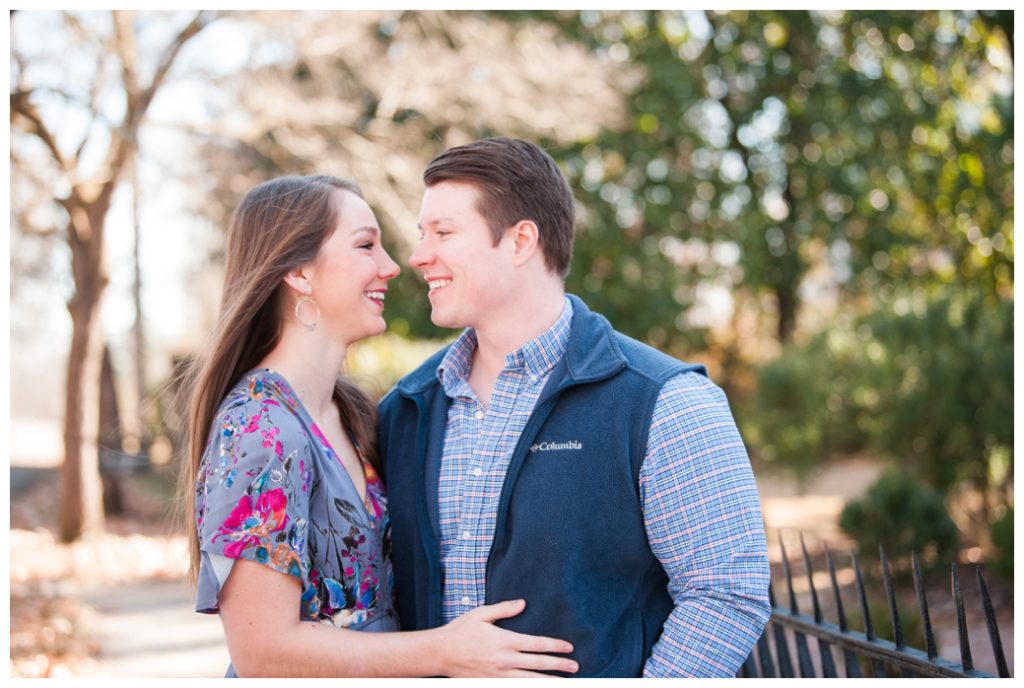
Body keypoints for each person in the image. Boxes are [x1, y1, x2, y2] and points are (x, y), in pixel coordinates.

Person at [378, 138, 771, 677]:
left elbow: (726, 594)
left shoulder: (662, 401)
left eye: (443, 233)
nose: (418, 256)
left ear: (520, 241)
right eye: (422, 235)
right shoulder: (405, 410)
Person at [183, 174, 579, 678]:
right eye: (366, 245)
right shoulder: (257, 430)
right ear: (301, 272)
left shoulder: (360, 416)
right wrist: (444, 651)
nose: (393, 267)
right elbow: (262, 653)